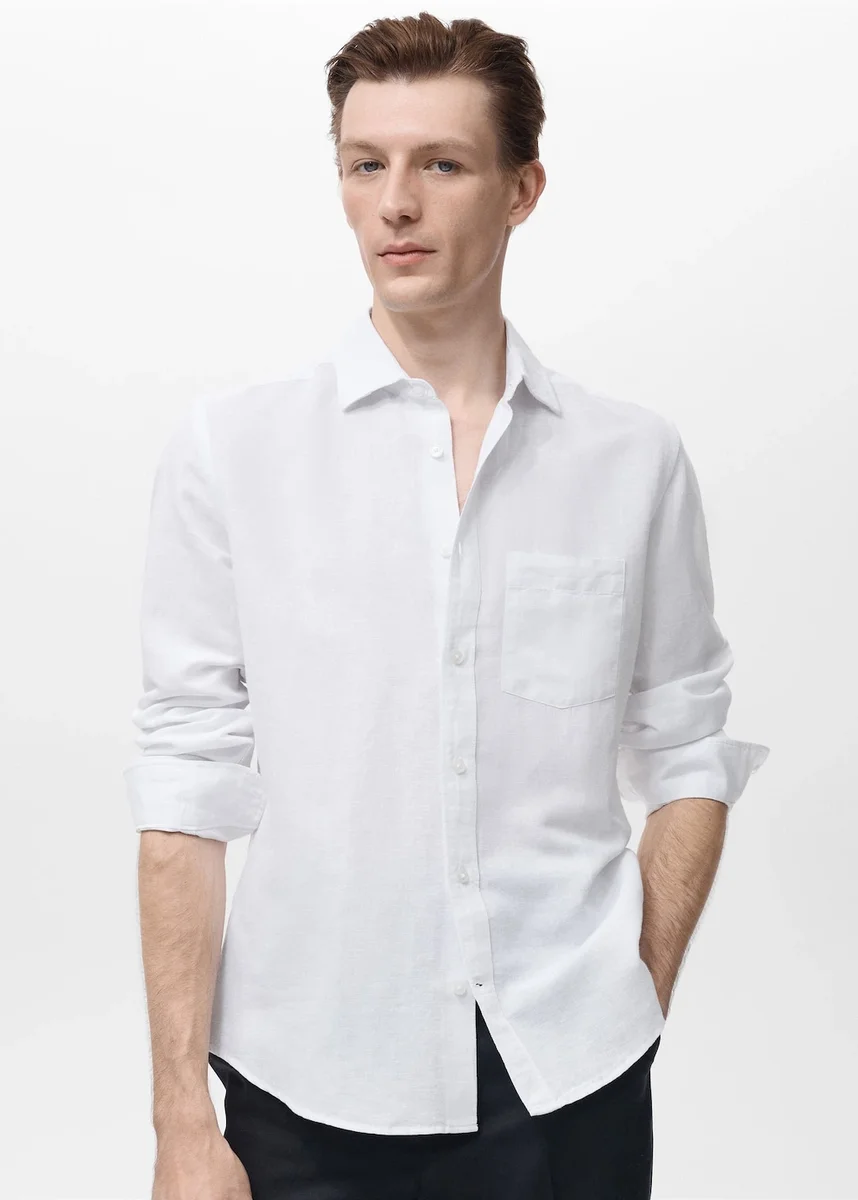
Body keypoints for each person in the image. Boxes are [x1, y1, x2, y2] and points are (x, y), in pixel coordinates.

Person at [123, 12, 770, 1200]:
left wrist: (635, 989)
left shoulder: (631, 461)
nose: (396, 204)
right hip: (301, 1081)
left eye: (442, 163)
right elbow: (185, 783)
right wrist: (179, 1120)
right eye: (365, 163)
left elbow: (686, 746)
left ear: (522, 190)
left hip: (570, 1078)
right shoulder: (234, 452)